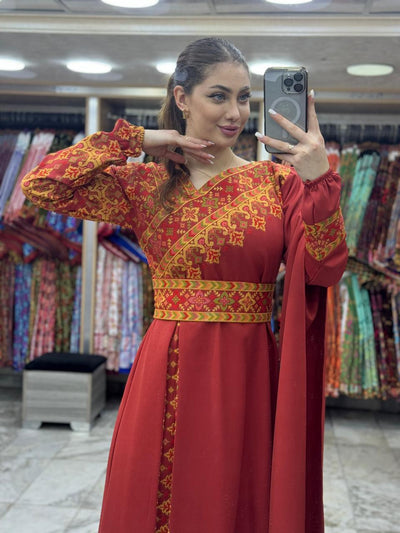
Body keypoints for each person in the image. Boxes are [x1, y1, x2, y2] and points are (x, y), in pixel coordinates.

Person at [22, 37, 348, 533]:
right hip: (168, 363)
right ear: (182, 98)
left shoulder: (277, 183)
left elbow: (325, 269)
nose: (235, 113)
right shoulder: (144, 185)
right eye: (218, 96)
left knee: (238, 492)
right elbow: (42, 185)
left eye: (244, 97)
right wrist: (137, 141)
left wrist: (319, 180)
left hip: (249, 367)